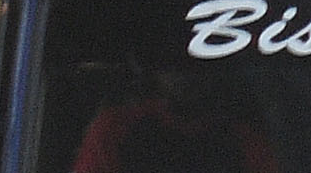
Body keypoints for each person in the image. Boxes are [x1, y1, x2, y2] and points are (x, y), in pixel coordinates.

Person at [70, 66, 281, 173]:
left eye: (198, 65)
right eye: (174, 63)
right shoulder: (115, 128)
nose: (186, 73)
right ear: (156, 69)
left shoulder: (245, 140)